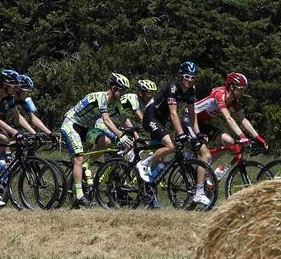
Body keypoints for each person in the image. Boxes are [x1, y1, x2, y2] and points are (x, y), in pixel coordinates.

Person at [137, 62, 212, 207]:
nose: (190, 80)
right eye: (187, 77)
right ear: (181, 76)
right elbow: (173, 113)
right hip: (151, 117)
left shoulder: (191, 90)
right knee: (171, 145)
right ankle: (144, 164)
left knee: (162, 158)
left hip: (161, 121)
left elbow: (192, 114)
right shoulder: (172, 87)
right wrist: (181, 133)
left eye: (193, 77)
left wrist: (197, 133)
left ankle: (149, 192)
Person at [61, 73, 132, 208]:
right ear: (113, 88)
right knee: (78, 158)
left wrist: (134, 133)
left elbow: (124, 118)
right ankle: (79, 195)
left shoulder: (116, 103)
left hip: (86, 127)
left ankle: (87, 165)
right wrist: (120, 135)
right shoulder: (101, 97)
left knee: (105, 142)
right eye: (121, 90)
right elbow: (106, 120)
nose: (123, 93)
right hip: (72, 124)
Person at [193, 72, 267, 150]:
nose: (243, 93)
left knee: (230, 143)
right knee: (205, 155)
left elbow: (243, 119)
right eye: (241, 89)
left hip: (200, 123)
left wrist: (258, 138)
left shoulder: (233, 100)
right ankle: (194, 160)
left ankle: (206, 162)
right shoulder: (220, 95)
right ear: (232, 87)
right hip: (190, 119)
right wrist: (242, 136)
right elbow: (228, 118)